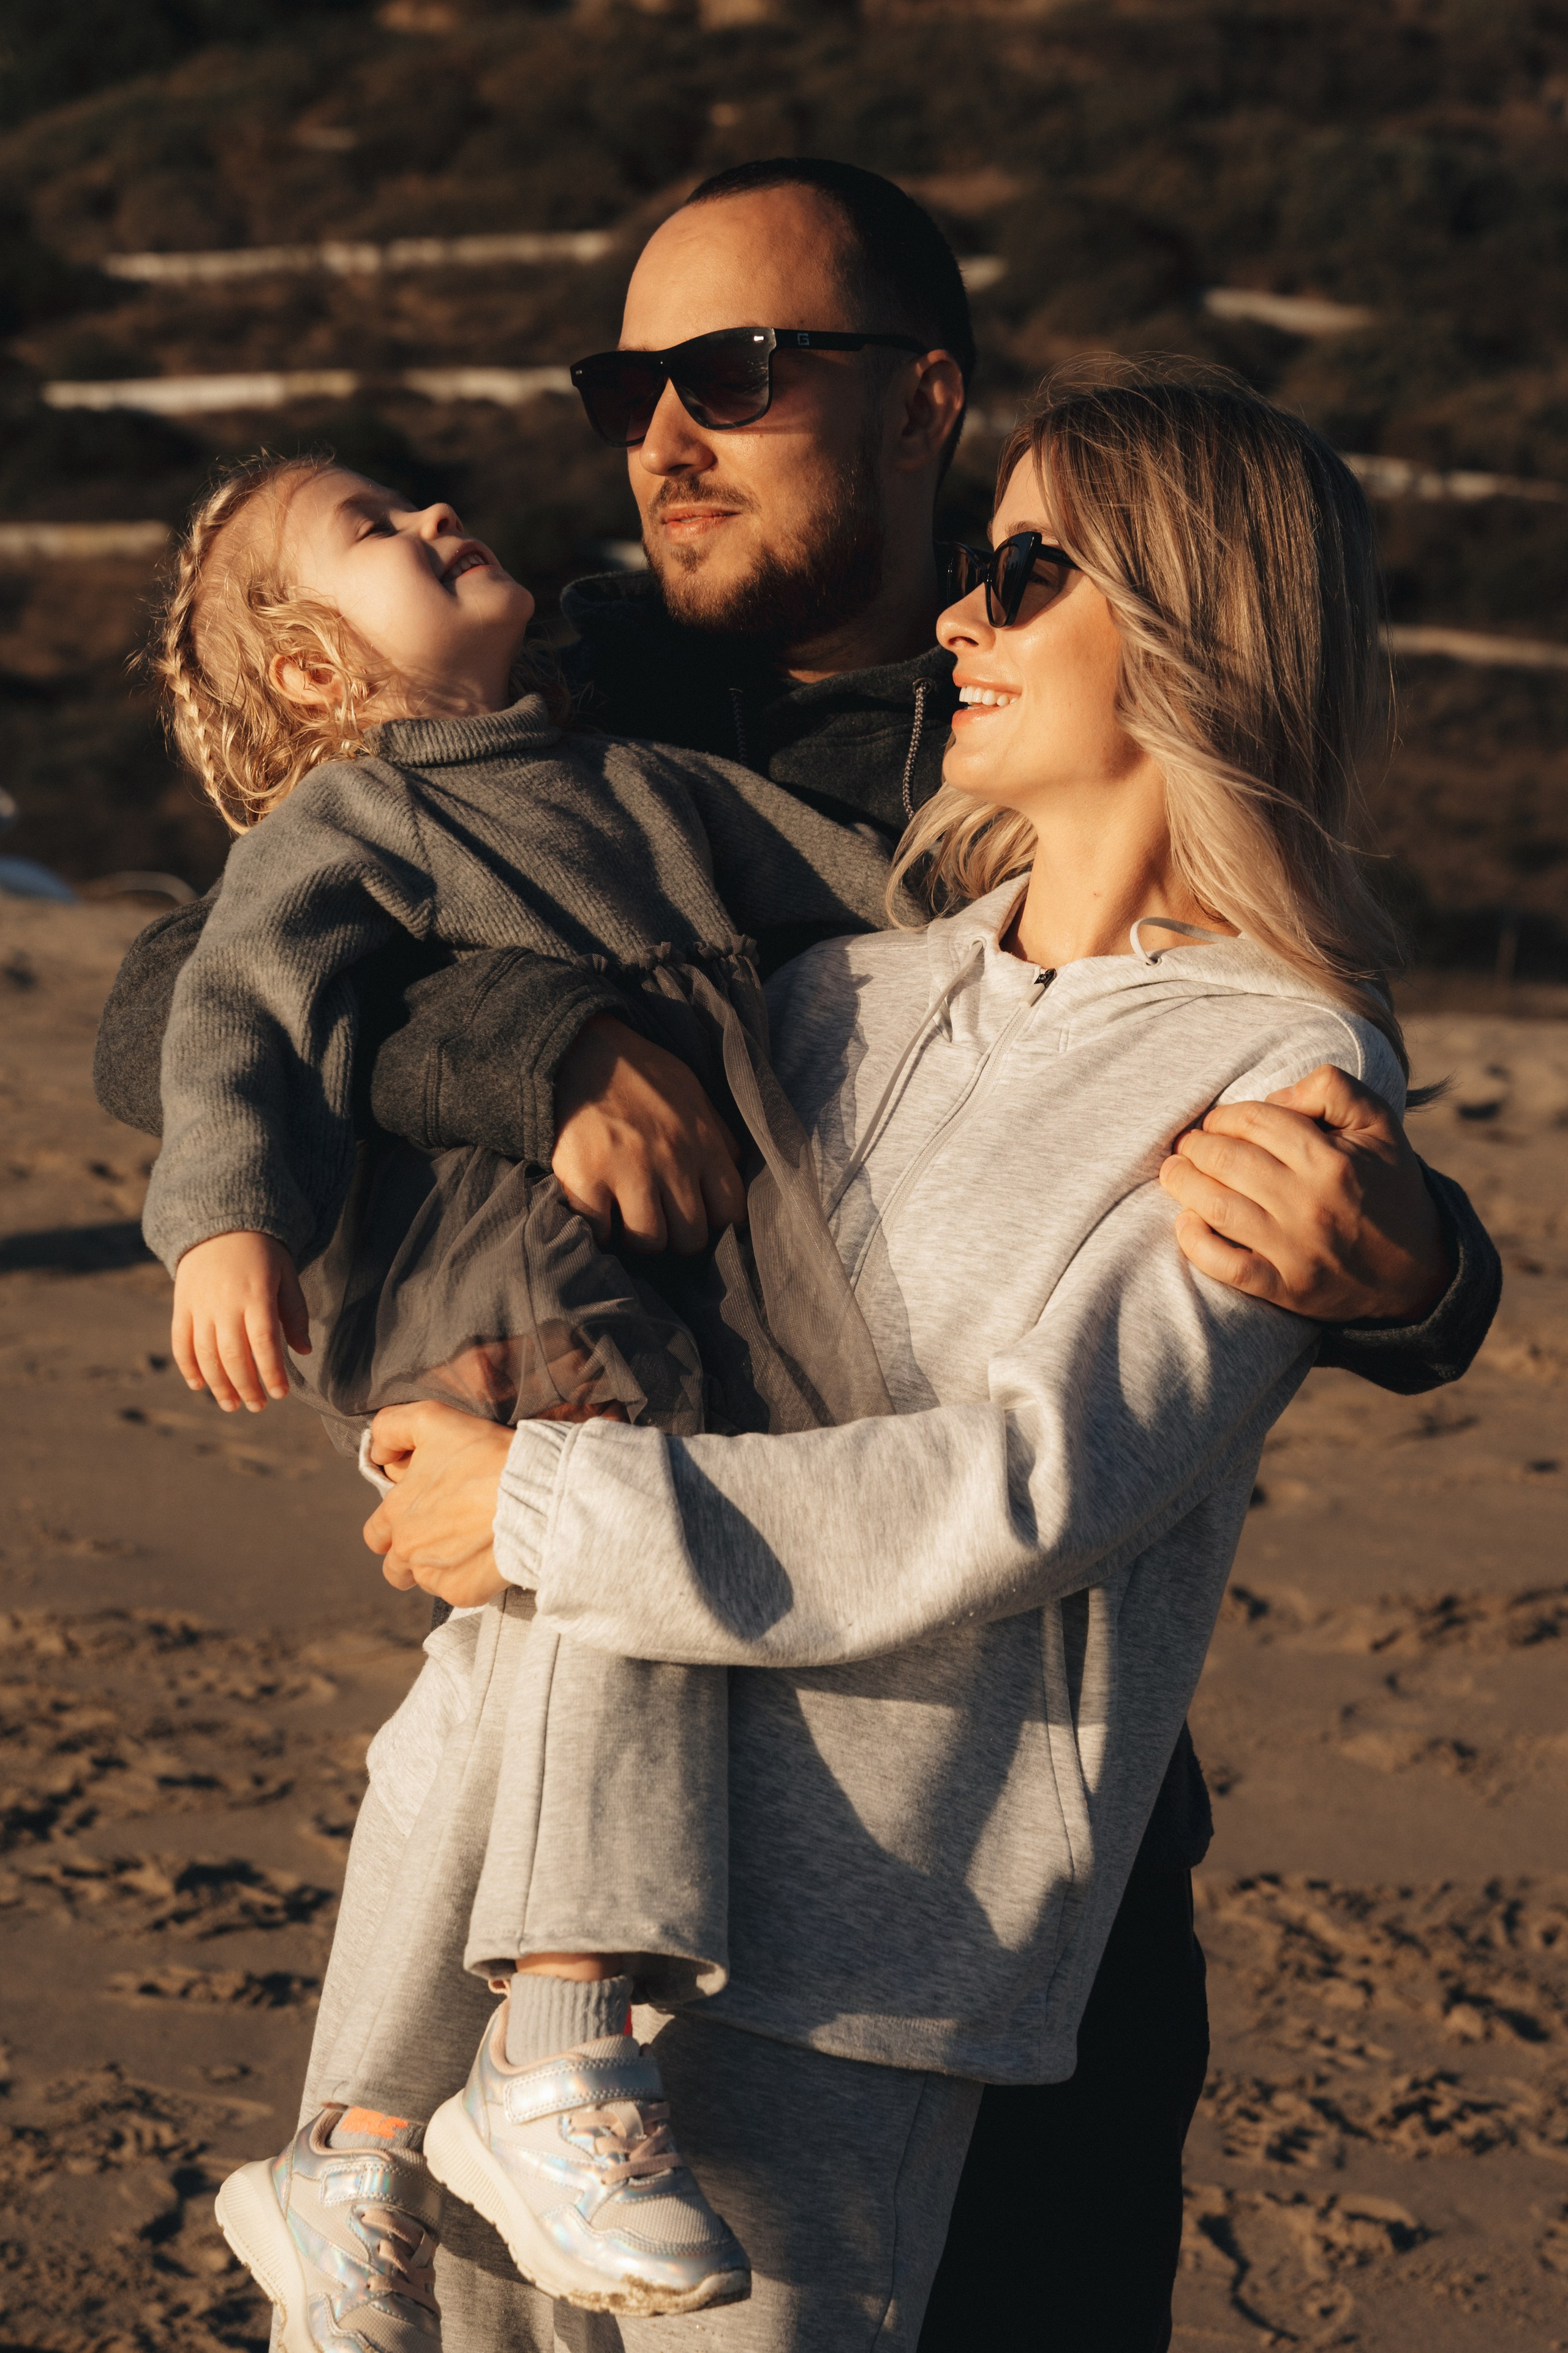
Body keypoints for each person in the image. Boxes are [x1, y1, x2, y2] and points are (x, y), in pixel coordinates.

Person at [95, 162, 1501, 2351]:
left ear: (920, 394)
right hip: (604, 1747)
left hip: (988, 1825)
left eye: (734, 374)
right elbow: (200, 976)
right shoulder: (560, 685)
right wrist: (541, 1040)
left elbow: (1225, 1127)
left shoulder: (1001, 775)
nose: (663, 436)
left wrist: (1417, 1269)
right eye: (628, 382)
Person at [138, 447, 913, 2330]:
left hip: (634, 1290)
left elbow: (897, 889)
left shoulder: (641, 786)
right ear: (313, 674)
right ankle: (560, 2031)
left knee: (516, 1669)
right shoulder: (360, 810)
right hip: (473, 1267)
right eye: (368, 534)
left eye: (420, 501)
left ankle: (351, 2148)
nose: (428, 521)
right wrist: (222, 1225)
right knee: (610, 1532)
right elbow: (225, 1003)